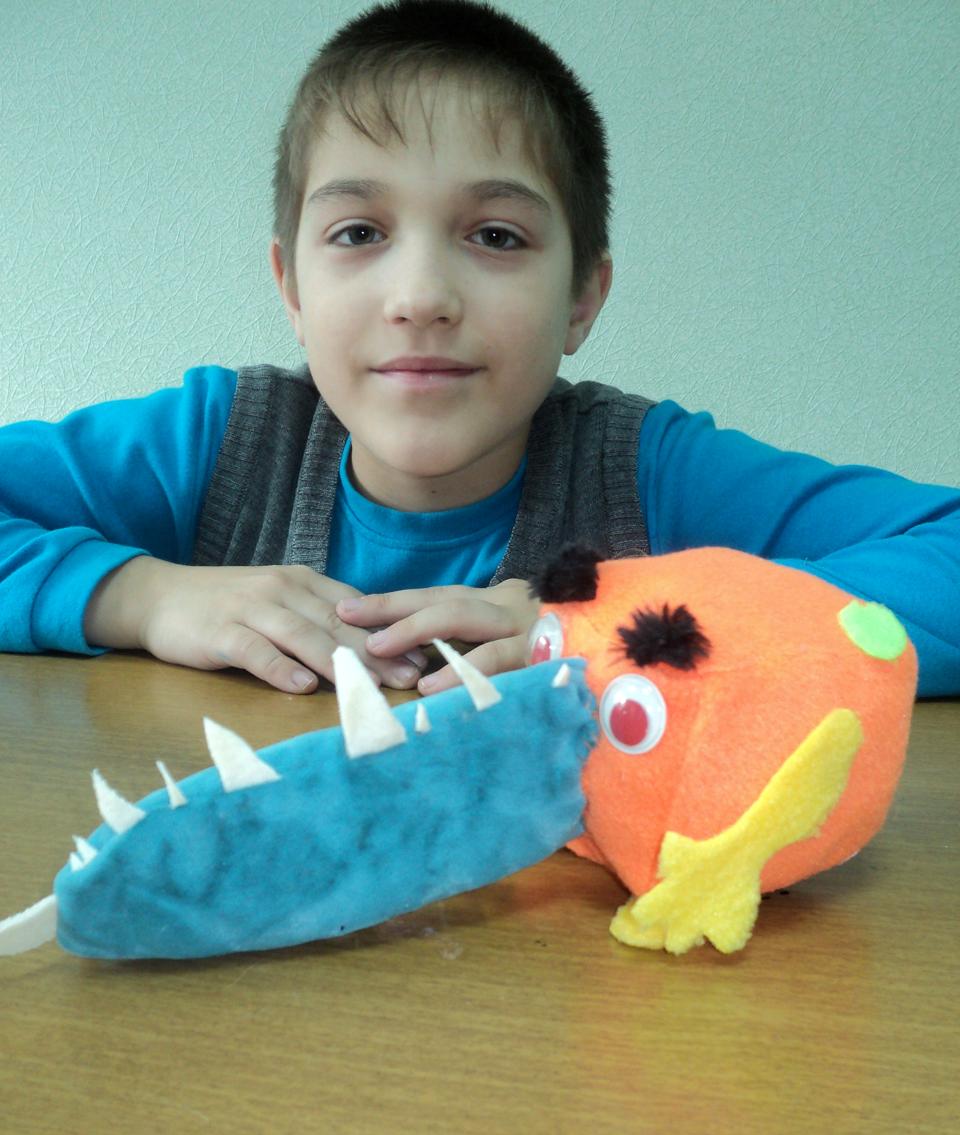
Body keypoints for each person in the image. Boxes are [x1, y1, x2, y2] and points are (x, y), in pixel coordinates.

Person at [1, 0, 958, 699]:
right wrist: (145, 597)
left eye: (496, 236)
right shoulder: (221, 444)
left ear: (582, 299)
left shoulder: (644, 472)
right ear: (291, 287)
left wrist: (615, 628)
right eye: (359, 233)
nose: (420, 298)